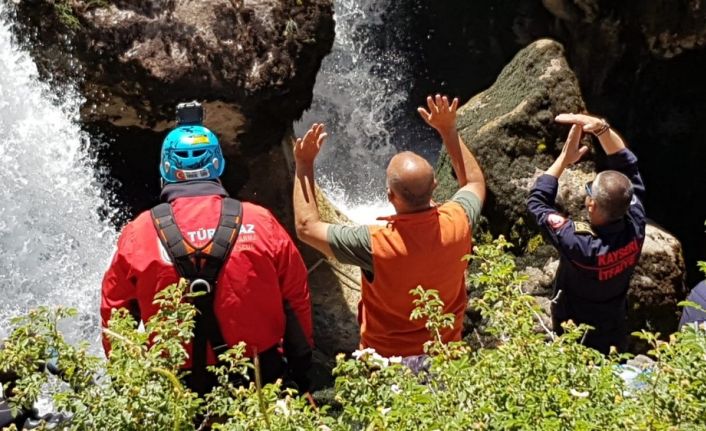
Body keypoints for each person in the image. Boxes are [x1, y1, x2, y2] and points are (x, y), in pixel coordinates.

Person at [101, 103, 313, 395]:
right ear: (218, 166)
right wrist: (301, 368)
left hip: (177, 388)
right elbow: (295, 297)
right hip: (259, 379)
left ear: (165, 170)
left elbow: (115, 315)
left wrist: (125, 383)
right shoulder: (260, 222)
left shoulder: (139, 233)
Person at [292, 94, 486, 358]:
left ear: (390, 197)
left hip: (389, 364)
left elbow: (306, 227)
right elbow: (474, 184)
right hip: (446, 354)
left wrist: (303, 164)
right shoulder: (459, 219)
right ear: (435, 187)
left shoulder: (373, 243)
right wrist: (449, 130)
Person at [527, 113, 647, 354]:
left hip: (572, 325)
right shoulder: (636, 225)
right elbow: (627, 164)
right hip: (613, 320)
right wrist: (602, 129)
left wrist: (563, 159)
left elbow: (537, 203)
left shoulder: (579, 244)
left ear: (590, 205)